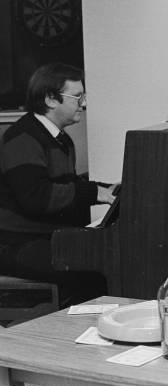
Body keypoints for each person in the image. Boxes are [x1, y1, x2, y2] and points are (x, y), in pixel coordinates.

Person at [0, 62, 115, 305]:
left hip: (42, 238)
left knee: (99, 261)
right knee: (90, 269)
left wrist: (107, 189)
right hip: (14, 244)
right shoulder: (22, 138)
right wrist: (95, 193)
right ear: (51, 100)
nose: (83, 104)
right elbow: (36, 198)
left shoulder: (61, 139)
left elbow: (68, 185)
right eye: (77, 97)